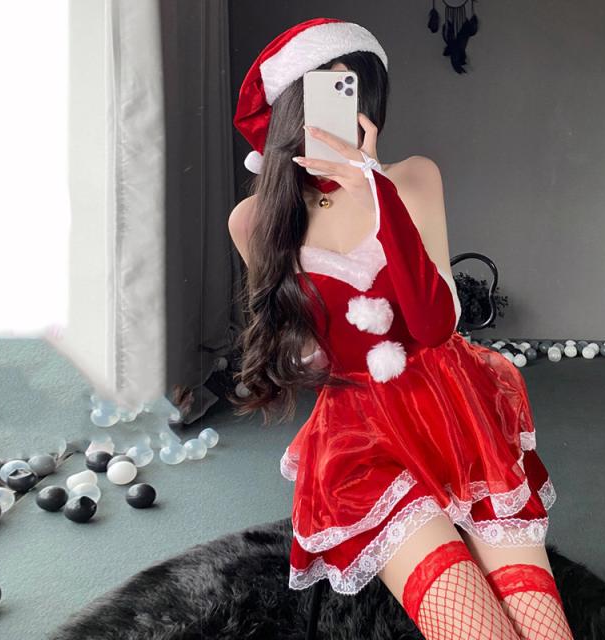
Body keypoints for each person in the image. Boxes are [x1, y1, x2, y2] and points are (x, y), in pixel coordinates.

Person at [228, 17, 574, 639]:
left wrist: (375, 195)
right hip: (361, 439)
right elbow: (300, 355)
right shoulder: (256, 221)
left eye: (360, 92)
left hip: (456, 407)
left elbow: (435, 325)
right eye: (332, 91)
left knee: (548, 630)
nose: (350, 107)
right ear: (293, 105)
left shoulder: (412, 178)